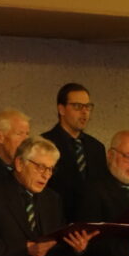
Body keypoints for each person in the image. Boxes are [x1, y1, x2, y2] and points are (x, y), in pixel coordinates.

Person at [42, 83, 108, 222]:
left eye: (88, 106)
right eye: (77, 106)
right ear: (61, 109)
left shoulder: (97, 147)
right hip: (57, 222)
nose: (84, 112)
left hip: (91, 226)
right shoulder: (44, 144)